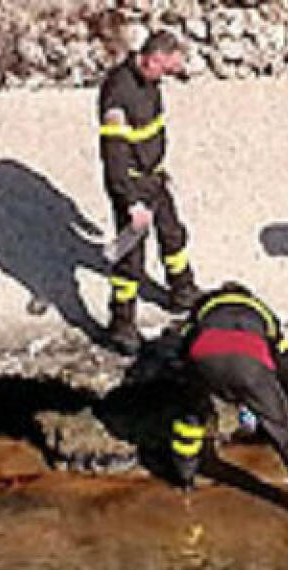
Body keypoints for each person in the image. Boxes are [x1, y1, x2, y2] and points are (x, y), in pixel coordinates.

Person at [170, 281, 288, 522]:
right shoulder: (262, 312)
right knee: (285, 433)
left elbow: (182, 344)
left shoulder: (204, 308)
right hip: (250, 365)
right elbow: (283, 357)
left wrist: (189, 376)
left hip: (204, 357)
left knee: (191, 415)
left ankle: (184, 474)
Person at [98, 31, 202, 355]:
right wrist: (131, 203)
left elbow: (150, 131)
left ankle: (182, 292)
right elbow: (113, 154)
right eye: (167, 68)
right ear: (152, 59)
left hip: (154, 178)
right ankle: (122, 325)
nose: (169, 75)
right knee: (130, 259)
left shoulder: (150, 80)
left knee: (173, 236)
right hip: (131, 185)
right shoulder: (118, 92)